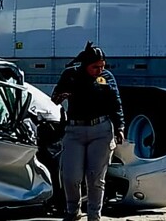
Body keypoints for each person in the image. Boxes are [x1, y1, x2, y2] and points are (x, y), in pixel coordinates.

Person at [50, 42, 125, 221]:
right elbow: (55, 98)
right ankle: (72, 211)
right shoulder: (71, 75)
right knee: (70, 176)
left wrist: (120, 127)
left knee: (96, 178)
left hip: (101, 130)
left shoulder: (106, 78)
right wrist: (60, 97)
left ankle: (94, 215)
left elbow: (116, 104)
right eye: (95, 67)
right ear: (85, 65)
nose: (99, 70)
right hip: (74, 130)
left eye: (102, 66)